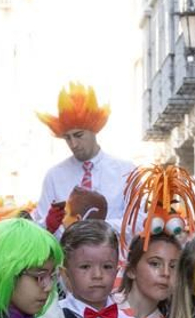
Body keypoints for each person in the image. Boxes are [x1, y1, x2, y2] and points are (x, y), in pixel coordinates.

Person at [33, 82, 136, 228]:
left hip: (114, 250)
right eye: (67, 138)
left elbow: (138, 222)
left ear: (93, 130)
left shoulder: (127, 171)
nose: (73, 144)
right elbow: (40, 226)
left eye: (78, 135)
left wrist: (97, 228)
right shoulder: (54, 176)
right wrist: (49, 225)